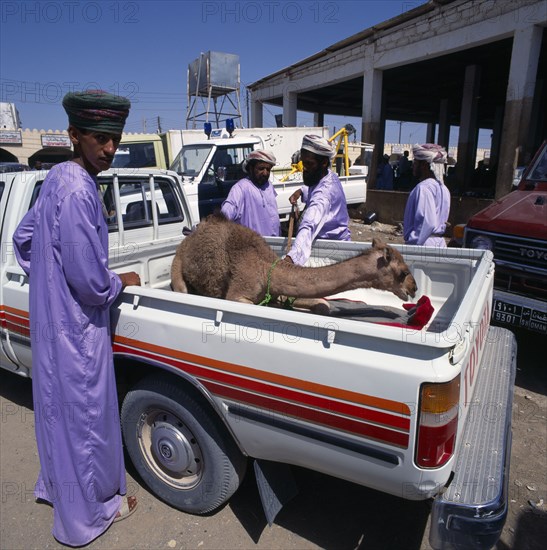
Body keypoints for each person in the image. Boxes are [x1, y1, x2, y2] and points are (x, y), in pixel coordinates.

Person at [12, 90, 141, 547]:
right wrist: (121, 280)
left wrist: (47, 278)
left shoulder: (56, 179)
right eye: (100, 138)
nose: (109, 148)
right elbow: (90, 284)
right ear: (74, 136)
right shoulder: (79, 187)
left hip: (52, 325)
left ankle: (61, 492)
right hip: (77, 332)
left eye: (115, 139)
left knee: (58, 417)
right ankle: (91, 514)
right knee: (87, 422)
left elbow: (24, 239)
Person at [284, 135, 351, 265]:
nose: (305, 168)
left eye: (309, 164)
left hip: (333, 252)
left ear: (324, 162)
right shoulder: (327, 175)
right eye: (303, 163)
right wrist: (301, 191)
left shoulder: (324, 195)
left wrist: (291, 259)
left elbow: (308, 225)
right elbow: (313, 188)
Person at [220, 149, 280, 236]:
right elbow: (227, 211)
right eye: (261, 168)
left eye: (268, 169)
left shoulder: (268, 186)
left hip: (273, 244)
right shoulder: (240, 188)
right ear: (250, 168)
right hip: (252, 246)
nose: (265, 173)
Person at [403, 143, 450, 247]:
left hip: (423, 245)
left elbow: (426, 222)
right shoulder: (443, 188)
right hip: (439, 243)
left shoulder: (423, 188)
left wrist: (411, 245)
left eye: (415, 163)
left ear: (424, 165)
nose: (413, 166)